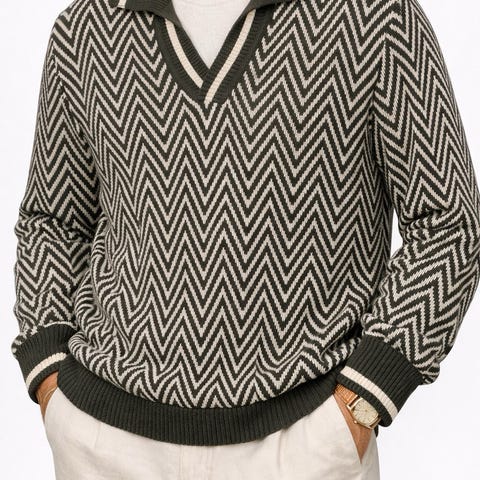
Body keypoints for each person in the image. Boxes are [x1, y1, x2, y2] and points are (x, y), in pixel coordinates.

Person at [11, 0, 480, 478]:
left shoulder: (375, 16)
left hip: (303, 443)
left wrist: (363, 399)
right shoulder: (86, 28)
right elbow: (54, 220)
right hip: (107, 442)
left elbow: (448, 223)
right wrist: (48, 376)